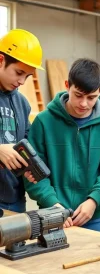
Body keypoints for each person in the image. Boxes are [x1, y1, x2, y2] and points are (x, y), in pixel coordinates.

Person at [24, 58, 100, 232]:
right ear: (67, 85)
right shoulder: (43, 122)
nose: (84, 103)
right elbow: (32, 172)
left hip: (92, 217)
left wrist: (94, 200)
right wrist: (52, 204)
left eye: (91, 97)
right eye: (78, 95)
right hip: (51, 216)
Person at [0, 29, 42, 213]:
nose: (22, 81)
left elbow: (25, 142)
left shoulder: (22, 103)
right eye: (19, 72)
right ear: (1, 60)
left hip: (14, 198)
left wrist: (28, 166)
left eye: (27, 76)